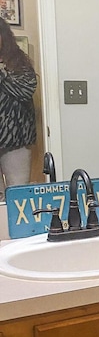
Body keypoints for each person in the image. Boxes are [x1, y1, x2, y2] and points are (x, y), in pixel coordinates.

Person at [0, 17, 37, 200]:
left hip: (16, 138)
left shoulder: (19, 61)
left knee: (19, 195)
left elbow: (25, 90)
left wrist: (2, 73)